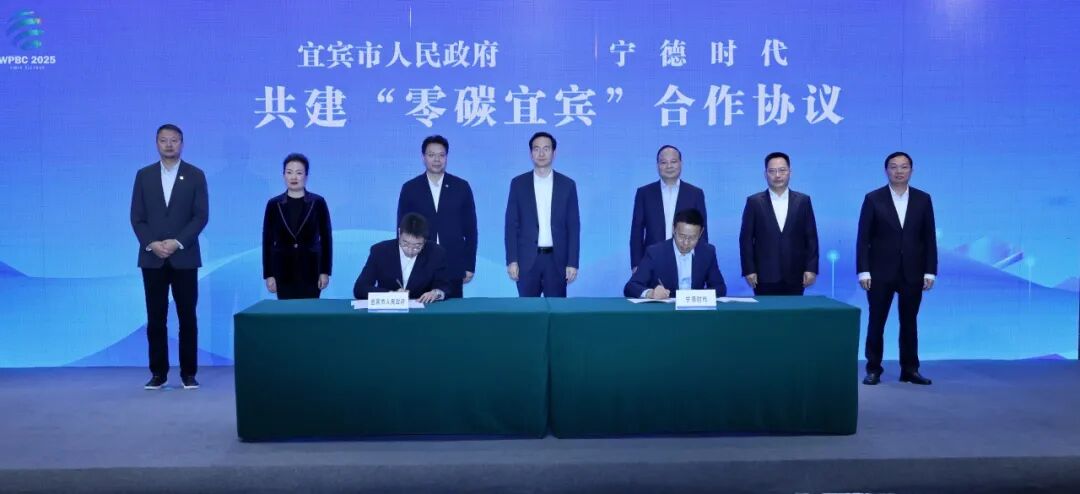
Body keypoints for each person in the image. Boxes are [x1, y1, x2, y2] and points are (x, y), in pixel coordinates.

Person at [130, 124, 208, 390]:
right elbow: (137, 217)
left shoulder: (195, 175)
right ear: (156, 143)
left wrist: (177, 242)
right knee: (156, 318)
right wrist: (152, 243)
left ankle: (188, 373)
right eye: (164, 140)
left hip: (184, 257)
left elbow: (200, 216)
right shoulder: (144, 175)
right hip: (152, 258)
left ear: (182, 143)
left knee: (187, 317)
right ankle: (158, 374)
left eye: (174, 140)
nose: (169, 145)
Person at [857, 151, 938, 386]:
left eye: (904, 167)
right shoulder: (873, 198)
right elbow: (863, 238)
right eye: (894, 167)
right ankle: (873, 369)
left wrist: (930, 271)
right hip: (879, 272)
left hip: (913, 271)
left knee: (909, 322)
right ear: (886, 171)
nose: (899, 171)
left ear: (911, 170)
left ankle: (910, 370)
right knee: (876, 322)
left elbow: (929, 238)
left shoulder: (923, 199)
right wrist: (864, 270)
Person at [396, 135, 477, 298]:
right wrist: (402, 264)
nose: (437, 160)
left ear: (447, 157)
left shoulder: (461, 186)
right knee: (420, 309)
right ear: (423, 157)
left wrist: (469, 265)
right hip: (419, 262)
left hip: (453, 263)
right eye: (431, 155)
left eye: (441, 155)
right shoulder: (410, 188)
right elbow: (401, 229)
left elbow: (471, 230)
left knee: (453, 311)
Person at [504, 131, 580, 297]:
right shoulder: (518, 184)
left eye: (546, 149)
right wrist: (512, 260)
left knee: (557, 309)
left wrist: (572, 262)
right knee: (527, 310)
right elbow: (511, 225)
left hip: (556, 261)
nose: (541, 153)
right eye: (536, 149)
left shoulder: (567, 185)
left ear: (554, 152)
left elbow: (573, 226)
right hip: (527, 261)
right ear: (531, 153)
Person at [738, 151, 819, 295]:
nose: (777, 175)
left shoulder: (803, 201)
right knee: (766, 310)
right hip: (763, 276)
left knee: (794, 310)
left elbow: (811, 237)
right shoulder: (754, 202)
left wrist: (811, 268)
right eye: (772, 171)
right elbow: (746, 239)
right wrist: (749, 270)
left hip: (796, 274)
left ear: (790, 172)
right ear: (765, 174)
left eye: (782, 170)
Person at [262, 153, 332, 299]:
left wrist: (325, 271)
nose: (293, 177)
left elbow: (326, 239)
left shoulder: (318, 202)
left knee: (310, 311)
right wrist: (269, 274)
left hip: (311, 269)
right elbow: (267, 241)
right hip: (282, 270)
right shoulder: (274, 204)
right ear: (283, 175)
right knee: (286, 311)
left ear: (306, 176)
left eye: (299, 173)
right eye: (289, 172)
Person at [630, 145, 708, 272]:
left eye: (673, 161)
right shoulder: (644, 193)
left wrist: (702, 263)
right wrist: (636, 264)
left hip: (686, 260)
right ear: (657, 166)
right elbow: (636, 232)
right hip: (652, 261)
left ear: (681, 163)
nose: (669, 166)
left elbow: (702, 232)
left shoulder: (695, 193)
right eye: (663, 162)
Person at [624, 208, 727, 299]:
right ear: (673, 229)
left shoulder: (707, 252)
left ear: (701, 233)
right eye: (682, 236)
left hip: (695, 311)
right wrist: (651, 293)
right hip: (666, 312)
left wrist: (696, 296)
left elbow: (720, 287)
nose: (686, 243)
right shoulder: (655, 253)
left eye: (692, 238)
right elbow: (631, 287)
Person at [353, 212, 449, 303]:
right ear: (399, 232)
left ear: (425, 241)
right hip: (388, 310)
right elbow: (360, 288)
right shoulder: (380, 251)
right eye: (405, 244)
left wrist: (436, 293)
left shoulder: (436, 253)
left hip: (423, 309)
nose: (410, 250)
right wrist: (391, 295)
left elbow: (445, 286)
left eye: (417, 246)